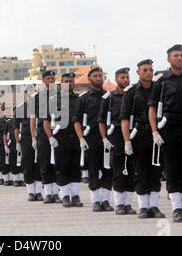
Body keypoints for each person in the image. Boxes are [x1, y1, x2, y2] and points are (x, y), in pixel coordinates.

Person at [148, 44, 182, 223]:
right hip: (169, 127)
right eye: (175, 55)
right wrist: (155, 131)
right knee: (171, 168)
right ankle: (177, 208)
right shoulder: (161, 80)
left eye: (181, 55)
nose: (179, 58)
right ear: (169, 59)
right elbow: (152, 107)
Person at [120, 59, 165, 219]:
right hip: (138, 135)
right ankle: (143, 207)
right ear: (138, 72)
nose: (148, 73)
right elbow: (124, 119)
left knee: (155, 171)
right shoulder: (131, 92)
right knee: (141, 171)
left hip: (157, 135)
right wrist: (127, 141)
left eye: (151, 70)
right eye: (145, 70)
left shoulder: (159, 88)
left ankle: (154, 206)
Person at [74, 66, 113, 212]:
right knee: (93, 170)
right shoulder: (83, 98)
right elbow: (76, 120)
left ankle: (105, 200)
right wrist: (81, 138)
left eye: (100, 76)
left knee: (108, 170)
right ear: (89, 79)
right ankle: (96, 201)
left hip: (108, 139)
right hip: (91, 139)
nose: (98, 78)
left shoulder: (109, 96)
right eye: (95, 76)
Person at [98, 67, 137, 215]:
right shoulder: (109, 97)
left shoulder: (133, 96)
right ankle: (119, 204)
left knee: (132, 171)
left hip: (132, 134)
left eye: (127, 77)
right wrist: (104, 139)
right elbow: (101, 120)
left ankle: (128, 204)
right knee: (119, 171)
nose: (125, 80)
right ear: (116, 80)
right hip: (116, 136)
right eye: (122, 78)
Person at [44, 73, 83, 208]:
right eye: (66, 81)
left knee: (76, 168)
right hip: (60, 139)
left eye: (71, 81)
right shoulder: (54, 100)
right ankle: (65, 196)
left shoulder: (79, 99)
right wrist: (50, 137)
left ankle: (76, 196)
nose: (69, 83)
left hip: (76, 138)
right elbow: (46, 121)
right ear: (61, 83)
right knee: (62, 168)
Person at [30, 70, 62, 204]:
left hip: (58, 131)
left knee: (58, 163)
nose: (51, 80)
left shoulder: (60, 95)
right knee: (45, 163)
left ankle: (57, 193)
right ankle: (49, 193)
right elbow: (33, 118)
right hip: (43, 133)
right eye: (48, 78)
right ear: (43, 80)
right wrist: (33, 137)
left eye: (53, 78)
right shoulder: (37, 97)